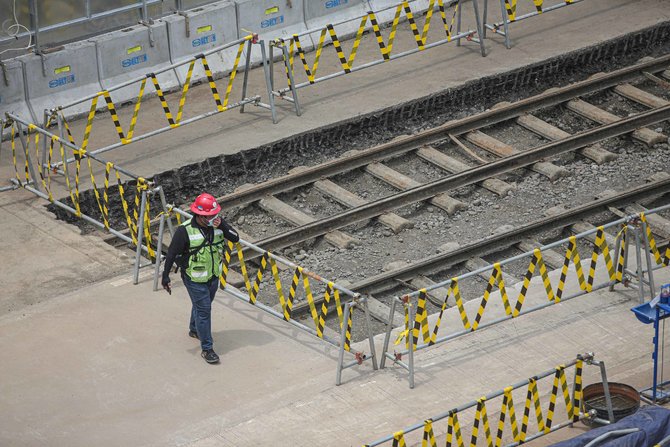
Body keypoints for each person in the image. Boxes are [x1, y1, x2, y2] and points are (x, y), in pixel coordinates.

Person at [162, 192, 240, 364]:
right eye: (209, 216)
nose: (213, 218)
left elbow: (235, 238)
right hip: (194, 278)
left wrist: (223, 225)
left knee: (202, 306)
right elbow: (172, 253)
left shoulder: (219, 225)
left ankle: (194, 329)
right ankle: (207, 349)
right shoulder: (185, 230)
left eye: (215, 214)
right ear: (200, 214)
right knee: (204, 310)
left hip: (212, 277)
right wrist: (165, 276)